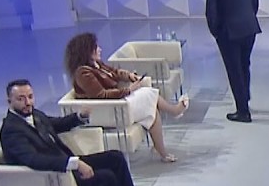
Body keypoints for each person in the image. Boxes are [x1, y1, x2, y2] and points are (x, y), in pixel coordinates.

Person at [0, 78, 152, 186]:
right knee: (106, 178)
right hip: (55, 178)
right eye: (21, 99)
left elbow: (55, 124)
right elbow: (34, 160)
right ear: (9, 101)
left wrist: (80, 117)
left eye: (30, 96)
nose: (28, 102)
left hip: (66, 166)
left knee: (115, 158)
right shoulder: (11, 131)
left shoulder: (34, 114)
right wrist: (74, 163)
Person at [64, 32, 188, 162]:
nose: (100, 49)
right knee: (148, 94)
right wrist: (128, 90)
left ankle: (162, 151)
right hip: (111, 109)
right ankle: (174, 111)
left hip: (118, 102)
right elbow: (101, 95)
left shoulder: (96, 64)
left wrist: (129, 76)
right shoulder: (83, 73)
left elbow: (114, 72)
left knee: (152, 110)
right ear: (87, 51)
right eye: (96, 47)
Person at [205, 0, 262, 123]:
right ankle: (245, 98)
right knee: (244, 65)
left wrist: (216, 32)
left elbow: (211, 11)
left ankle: (243, 112)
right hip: (249, 29)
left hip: (229, 33)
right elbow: (255, 2)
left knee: (234, 70)